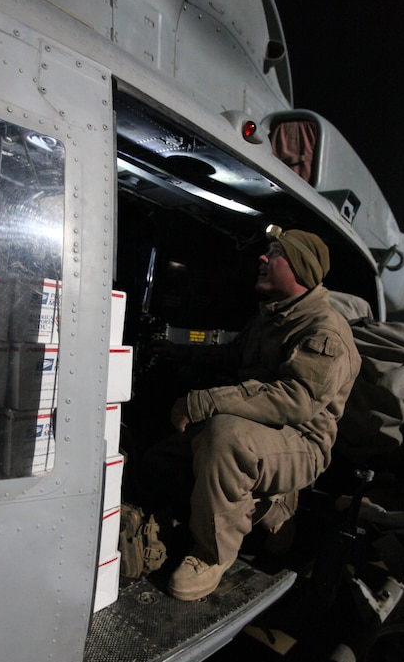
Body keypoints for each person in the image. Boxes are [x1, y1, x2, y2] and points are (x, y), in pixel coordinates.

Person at [150, 225, 362, 601]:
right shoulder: (272, 315)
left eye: (277, 253)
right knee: (160, 464)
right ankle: (262, 508)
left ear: (300, 269)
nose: (263, 258)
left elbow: (294, 400)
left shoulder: (324, 331)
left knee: (224, 436)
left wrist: (203, 401)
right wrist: (175, 351)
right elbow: (231, 355)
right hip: (258, 431)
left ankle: (214, 553)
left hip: (301, 443)